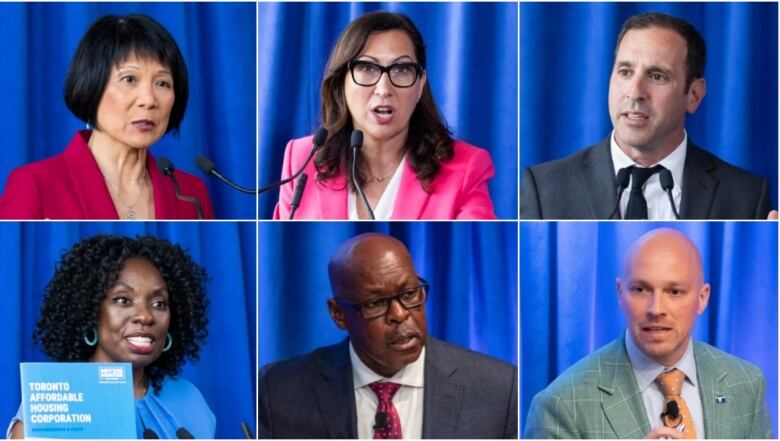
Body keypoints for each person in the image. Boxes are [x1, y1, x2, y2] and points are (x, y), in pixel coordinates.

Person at [258, 233, 516, 438]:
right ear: (338, 314)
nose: (400, 314)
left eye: (409, 294)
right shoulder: (279, 390)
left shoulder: (499, 390)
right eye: (376, 303)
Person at [520, 12, 773, 220]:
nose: (635, 92)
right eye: (625, 72)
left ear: (694, 95)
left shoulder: (747, 199)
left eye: (657, 76)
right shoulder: (544, 189)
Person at [523, 229, 772, 439]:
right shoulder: (560, 405)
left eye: (674, 292)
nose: (656, 309)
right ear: (620, 293)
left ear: (702, 298)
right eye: (641, 289)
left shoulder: (747, 384)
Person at [273, 11, 496, 220]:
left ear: (420, 85)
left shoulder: (466, 167)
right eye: (367, 68)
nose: (383, 89)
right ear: (342, 81)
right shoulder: (302, 159)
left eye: (401, 70)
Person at [0, 14, 213, 219]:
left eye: (162, 83)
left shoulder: (191, 193)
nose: (149, 100)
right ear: (91, 85)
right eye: (129, 79)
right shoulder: (35, 184)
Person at [7, 235, 214, 439]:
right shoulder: (54, 403)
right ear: (91, 311)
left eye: (159, 304)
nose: (145, 316)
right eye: (123, 300)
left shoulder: (189, 399)